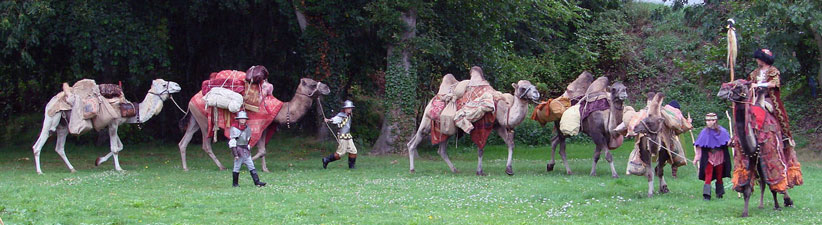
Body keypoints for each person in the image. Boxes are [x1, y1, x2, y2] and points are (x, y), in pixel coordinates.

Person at [749, 48, 794, 147]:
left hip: (768, 98)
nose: (757, 60)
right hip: (754, 98)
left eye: (758, 58)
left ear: (763, 59)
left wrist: (759, 85)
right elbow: (749, 83)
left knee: (777, 113)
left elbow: (774, 84)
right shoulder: (754, 73)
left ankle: (784, 136)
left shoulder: (773, 71)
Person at [692, 113, 731, 200]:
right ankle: (706, 195)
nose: (709, 122)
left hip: (720, 157)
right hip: (709, 157)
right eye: (707, 120)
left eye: (711, 120)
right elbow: (699, 146)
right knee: (708, 176)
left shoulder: (722, 131)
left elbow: (728, 142)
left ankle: (719, 193)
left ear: (715, 121)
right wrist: (696, 158)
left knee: (719, 176)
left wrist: (731, 143)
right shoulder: (704, 132)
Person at [229, 111, 266, 187]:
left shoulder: (247, 128)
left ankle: (257, 182)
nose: (242, 120)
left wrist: (248, 147)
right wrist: (235, 154)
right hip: (238, 151)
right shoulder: (234, 128)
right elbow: (232, 143)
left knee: (251, 166)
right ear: (238, 119)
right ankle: (235, 184)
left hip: (246, 151)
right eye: (241, 119)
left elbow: (247, 140)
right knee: (236, 167)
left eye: (244, 119)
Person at [321, 100, 357, 169]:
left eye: (350, 108)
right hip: (342, 136)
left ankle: (352, 167)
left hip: (348, 136)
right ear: (345, 108)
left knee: (353, 151)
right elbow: (335, 119)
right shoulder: (341, 115)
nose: (350, 109)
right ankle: (326, 160)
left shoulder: (349, 115)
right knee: (341, 153)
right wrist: (329, 120)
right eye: (348, 108)